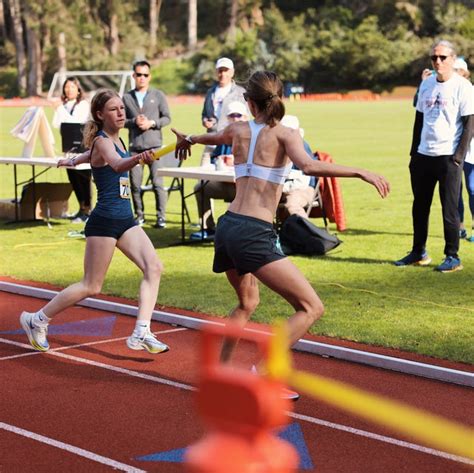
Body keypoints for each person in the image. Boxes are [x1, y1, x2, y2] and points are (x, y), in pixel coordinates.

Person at [172, 70, 390, 400]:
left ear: (249, 102)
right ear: (279, 98)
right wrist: (359, 171)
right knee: (311, 307)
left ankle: (220, 373)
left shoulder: (237, 129)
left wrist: (188, 138)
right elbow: (311, 167)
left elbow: (211, 137)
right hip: (253, 232)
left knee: (247, 303)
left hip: (228, 227)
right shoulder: (286, 134)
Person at [20, 89, 169, 355]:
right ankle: (37, 319)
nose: (121, 113)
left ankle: (141, 331)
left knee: (154, 267)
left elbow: (89, 157)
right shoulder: (104, 142)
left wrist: (72, 160)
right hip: (104, 222)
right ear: (100, 115)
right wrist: (141, 157)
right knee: (91, 285)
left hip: (125, 220)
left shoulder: (116, 141)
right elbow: (116, 165)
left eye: (122, 108)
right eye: (114, 109)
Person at [395, 40, 474, 272]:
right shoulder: (427, 85)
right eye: (434, 58)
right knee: (419, 206)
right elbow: (419, 120)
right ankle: (418, 252)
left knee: (449, 209)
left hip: (448, 157)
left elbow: (470, 124)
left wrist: (458, 157)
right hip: (423, 156)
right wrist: (413, 154)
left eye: (442, 57)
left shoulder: (463, 86)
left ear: (452, 59)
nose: (437, 62)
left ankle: (452, 256)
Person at [190, 101, 248, 240]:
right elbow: (214, 159)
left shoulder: (251, 138)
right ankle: (208, 228)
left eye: (238, 116)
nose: (235, 119)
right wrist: (218, 161)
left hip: (244, 187)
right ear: (227, 118)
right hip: (225, 183)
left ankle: (238, 233)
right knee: (201, 188)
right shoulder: (224, 138)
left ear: (245, 117)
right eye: (232, 116)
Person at [123, 60, 171, 228]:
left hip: (154, 147)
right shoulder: (127, 97)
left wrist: (151, 123)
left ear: (149, 76)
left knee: (158, 184)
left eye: (145, 75)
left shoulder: (158, 95)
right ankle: (139, 216)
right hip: (135, 148)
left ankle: (161, 217)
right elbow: (121, 121)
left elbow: (167, 118)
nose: (141, 78)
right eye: (138, 75)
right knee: (134, 185)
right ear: (133, 76)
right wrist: (133, 121)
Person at [52, 77, 92, 223]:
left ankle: (87, 209)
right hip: (68, 149)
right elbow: (57, 123)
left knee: (83, 179)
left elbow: (75, 121)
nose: (69, 90)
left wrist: (59, 109)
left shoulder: (83, 105)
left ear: (78, 89)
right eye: (67, 87)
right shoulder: (65, 105)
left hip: (82, 149)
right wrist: (60, 109)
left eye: (72, 87)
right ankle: (81, 208)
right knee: (73, 179)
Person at [200, 57, 247, 162]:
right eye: (220, 71)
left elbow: (245, 117)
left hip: (230, 142)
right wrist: (205, 121)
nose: (223, 74)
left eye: (226, 70)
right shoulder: (210, 92)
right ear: (217, 72)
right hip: (211, 138)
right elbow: (204, 114)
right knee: (204, 174)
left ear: (232, 72)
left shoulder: (240, 93)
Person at [277, 115, 318, 222]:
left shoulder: (302, 146)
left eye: (291, 131)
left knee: (292, 205)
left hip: (302, 187)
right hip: (281, 187)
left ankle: (309, 235)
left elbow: (306, 172)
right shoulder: (276, 145)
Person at [452, 58, 473, 240]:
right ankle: (459, 227)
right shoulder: (447, 91)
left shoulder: (470, 91)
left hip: (471, 152)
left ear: (465, 72)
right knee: (455, 191)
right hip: (452, 150)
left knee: (473, 188)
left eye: (458, 70)